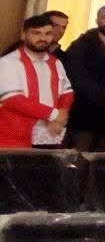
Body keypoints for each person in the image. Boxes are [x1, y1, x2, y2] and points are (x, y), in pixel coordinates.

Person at [0, 15, 74, 148]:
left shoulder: (56, 63)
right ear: (24, 35)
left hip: (49, 135)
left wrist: (61, 115)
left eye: (48, 34)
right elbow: (13, 100)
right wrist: (54, 115)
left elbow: (67, 93)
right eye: (36, 33)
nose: (43, 38)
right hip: (13, 137)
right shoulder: (8, 62)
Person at [63, 5, 105, 151]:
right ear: (97, 20)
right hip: (83, 114)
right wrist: (103, 97)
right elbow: (76, 77)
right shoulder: (80, 45)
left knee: (103, 159)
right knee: (80, 157)